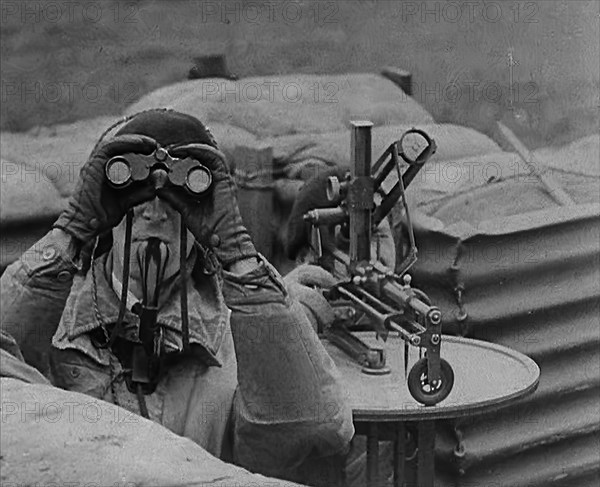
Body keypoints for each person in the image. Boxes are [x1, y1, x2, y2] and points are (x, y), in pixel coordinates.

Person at [0, 109, 354, 486]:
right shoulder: (53, 319)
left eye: (177, 198)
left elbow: (306, 433)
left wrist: (240, 259)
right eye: (133, 195)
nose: (155, 212)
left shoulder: (236, 337)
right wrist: (69, 232)